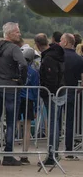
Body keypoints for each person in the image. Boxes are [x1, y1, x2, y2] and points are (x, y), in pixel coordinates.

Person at [0, 22, 27, 166]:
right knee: (11, 121)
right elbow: (23, 64)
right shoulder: (14, 49)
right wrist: (21, 80)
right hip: (11, 87)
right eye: (17, 32)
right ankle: (8, 155)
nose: (19, 34)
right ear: (9, 34)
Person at [37, 33, 64, 166]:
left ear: (37, 45)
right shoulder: (56, 54)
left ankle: (52, 154)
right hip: (58, 93)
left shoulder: (49, 58)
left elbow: (51, 77)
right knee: (55, 122)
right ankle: (53, 152)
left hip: (52, 94)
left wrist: (46, 91)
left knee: (53, 123)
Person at [59, 33, 83, 159]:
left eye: (61, 40)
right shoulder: (79, 58)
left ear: (67, 42)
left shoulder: (59, 56)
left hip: (58, 92)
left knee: (56, 121)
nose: (60, 43)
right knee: (69, 122)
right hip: (72, 92)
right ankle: (68, 149)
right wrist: (78, 88)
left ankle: (54, 149)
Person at [18, 47, 39, 165]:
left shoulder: (17, 69)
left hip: (17, 98)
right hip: (29, 100)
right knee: (27, 127)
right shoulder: (34, 72)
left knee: (13, 124)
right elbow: (36, 91)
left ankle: (9, 152)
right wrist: (36, 108)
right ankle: (24, 154)